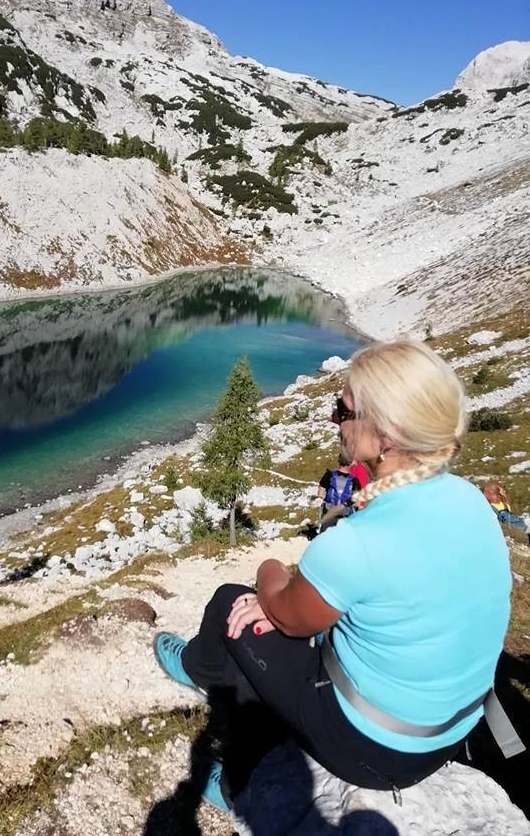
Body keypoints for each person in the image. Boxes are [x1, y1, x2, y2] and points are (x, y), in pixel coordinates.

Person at [154, 340, 515, 813]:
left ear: (387, 434)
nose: (334, 421)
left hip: (378, 752)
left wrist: (271, 574)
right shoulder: (471, 500)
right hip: (454, 730)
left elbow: (289, 617)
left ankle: (232, 770)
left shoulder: (357, 542)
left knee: (232, 605)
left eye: (342, 411)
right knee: (268, 627)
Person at [316, 450, 361, 531]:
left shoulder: (329, 475)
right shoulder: (354, 481)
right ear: (351, 463)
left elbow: (320, 494)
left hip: (329, 514)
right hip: (345, 517)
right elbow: (357, 504)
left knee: (326, 538)